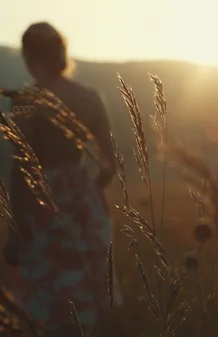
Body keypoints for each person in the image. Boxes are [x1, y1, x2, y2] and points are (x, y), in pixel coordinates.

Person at [3, 22, 117, 337]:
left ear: (29, 55)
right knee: (85, 296)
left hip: (41, 203)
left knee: (50, 300)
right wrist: (88, 191)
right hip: (85, 204)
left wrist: (14, 233)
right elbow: (111, 163)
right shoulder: (89, 97)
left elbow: (19, 168)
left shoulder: (25, 98)